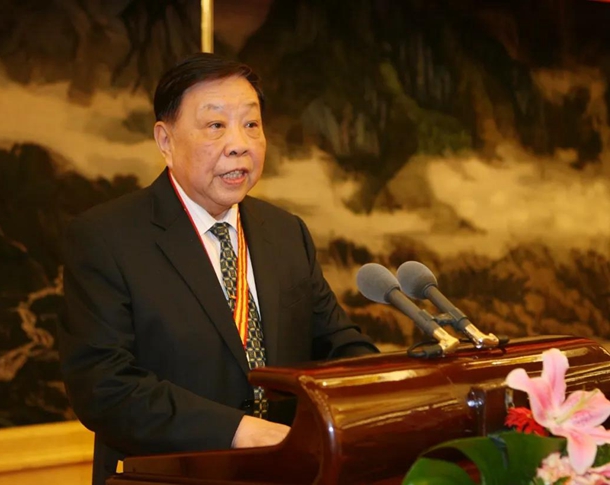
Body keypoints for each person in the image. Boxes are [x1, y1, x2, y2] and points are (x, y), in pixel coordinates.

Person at [58, 52, 378, 485]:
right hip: (169, 478)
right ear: (165, 140)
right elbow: (105, 387)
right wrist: (240, 431)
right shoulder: (107, 238)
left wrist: (388, 391)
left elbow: (337, 346)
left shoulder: (285, 232)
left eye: (251, 124)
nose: (239, 143)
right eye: (215, 125)